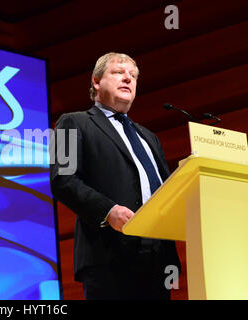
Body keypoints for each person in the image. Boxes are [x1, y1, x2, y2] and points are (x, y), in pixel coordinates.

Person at [50, 52, 180, 300]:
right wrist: (108, 211)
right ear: (96, 81)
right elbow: (63, 181)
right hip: (108, 256)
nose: (128, 79)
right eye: (119, 72)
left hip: (158, 260)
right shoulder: (70, 122)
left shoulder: (149, 137)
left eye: (133, 76)